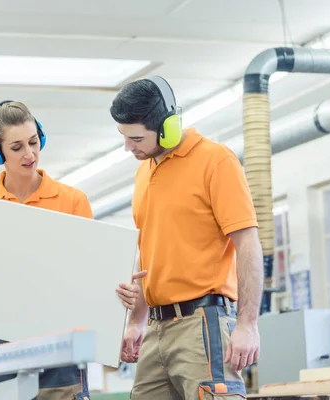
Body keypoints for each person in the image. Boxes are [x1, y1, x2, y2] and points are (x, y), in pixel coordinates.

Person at [0, 100, 145, 400]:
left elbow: (89, 275)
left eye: (33, 142)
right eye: (17, 147)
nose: (29, 154)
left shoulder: (72, 201)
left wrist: (119, 294)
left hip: (60, 345)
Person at [109, 77, 264, 400]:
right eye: (124, 137)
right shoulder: (144, 170)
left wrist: (247, 325)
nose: (128, 147)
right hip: (156, 328)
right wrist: (136, 322)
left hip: (201, 324)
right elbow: (146, 253)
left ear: (167, 128)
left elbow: (247, 243)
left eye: (136, 138)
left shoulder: (215, 160)